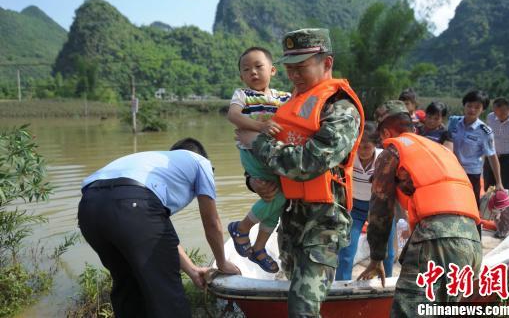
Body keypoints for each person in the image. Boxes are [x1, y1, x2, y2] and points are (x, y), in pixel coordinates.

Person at [237, 28, 363, 317]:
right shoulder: (289, 103)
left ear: (327, 63)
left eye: (301, 68)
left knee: (302, 310)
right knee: (295, 297)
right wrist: (253, 182)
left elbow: (307, 164)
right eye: (289, 69)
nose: (294, 76)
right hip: (291, 221)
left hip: (322, 224)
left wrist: (257, 143)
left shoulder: (341, 109)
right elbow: (269, 165)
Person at [77, 138, 240, 318]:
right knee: (166, 296)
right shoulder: (201, 163)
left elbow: (154, 228)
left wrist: (192, 270)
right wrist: (222, 262)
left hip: (89, 208)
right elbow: (211, 223)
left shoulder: (151, 163)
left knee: (127, 286)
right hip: (134, 204)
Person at [358, 101, 482, 317]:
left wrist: (377, 256)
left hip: (437, 239)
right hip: (472, 242)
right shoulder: (441, 150)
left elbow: (380, 208)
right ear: (412, 126)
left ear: (386, 131)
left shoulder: (392, 151)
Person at [227, 46, 291, 273]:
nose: (253, 72)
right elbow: (233, 115)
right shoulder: (242, 95)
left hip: (275, 155)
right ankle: (241, 229)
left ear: (272, 70)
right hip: (252, 153)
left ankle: (259, 247)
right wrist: (260, 127)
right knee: (278, 195)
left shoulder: (285, 97)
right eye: (246, 69)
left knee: (276, 201)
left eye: (258, 66)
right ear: (242, 76)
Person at [335, 122, 396, 280]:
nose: (362, 151)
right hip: (355, 208)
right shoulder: (348, 156)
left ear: (376, 144)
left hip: (381, 209)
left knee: (388, 254)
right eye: (359, 146)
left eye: (367, 147)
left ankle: (387, 284)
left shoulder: (385, 159)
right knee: (347, 251)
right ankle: (342, 286)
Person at [448, 90, 504, 236]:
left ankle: (475, 240)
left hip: (471, 175)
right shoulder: (453, 122)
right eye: (469, 105)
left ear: (483, 110)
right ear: (464, 105)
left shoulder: (485, 131)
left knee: (472, 209)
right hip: (451, 173)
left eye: (477, 107)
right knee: (451, 206)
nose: (472, 110)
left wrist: (499, 182)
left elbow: (492, 156)